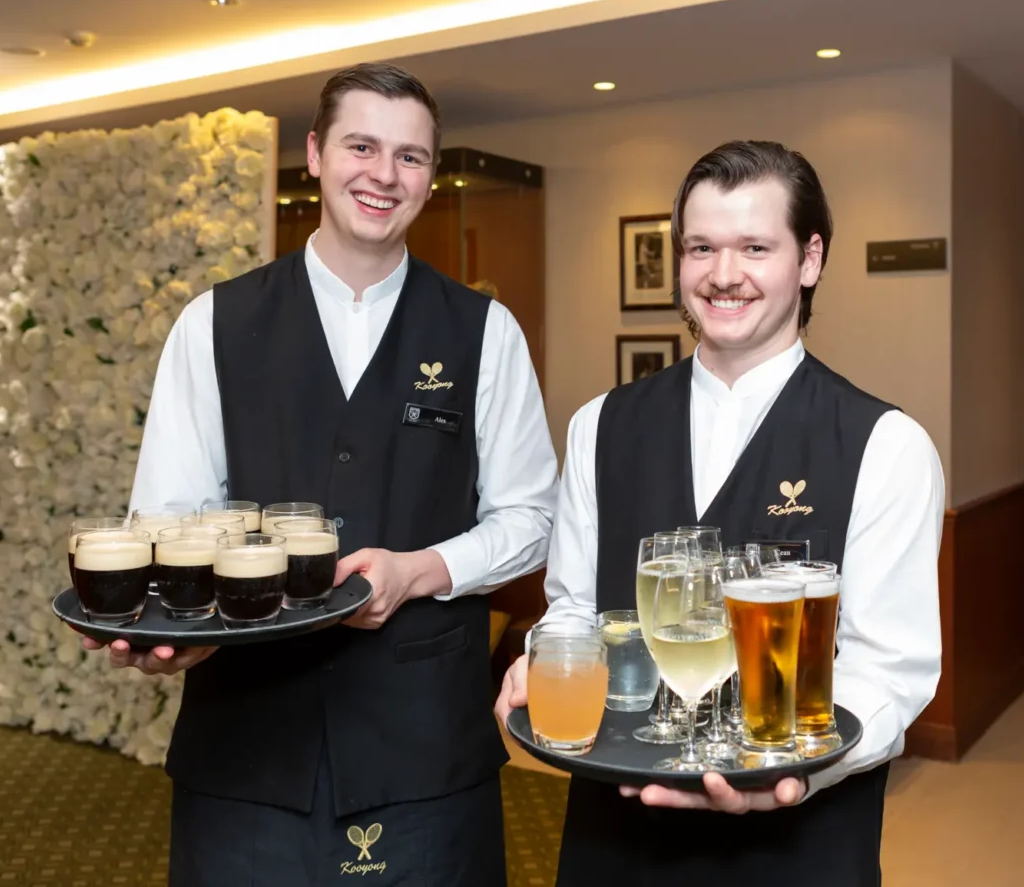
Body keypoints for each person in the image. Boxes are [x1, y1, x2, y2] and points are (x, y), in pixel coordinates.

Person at [85, 62, 558, 886]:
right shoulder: (213, 325)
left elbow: (533, 519)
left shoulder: (486, 331)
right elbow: (168, 521)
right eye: (362, 146)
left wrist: (421, 571)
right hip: (247, 752)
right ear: (314, 153)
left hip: (424, 754)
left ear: (430, 175)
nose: (384, 174)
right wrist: (175, 637)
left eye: (410, 156)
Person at [496, 140, 944, 885]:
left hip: (794, 842)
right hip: (617, 836)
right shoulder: (600, 425)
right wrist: (546, 660)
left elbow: (888, 670)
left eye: (754, 247)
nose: (723, 274)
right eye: (701, 247)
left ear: (809, 260)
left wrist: (783, 775)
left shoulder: (884, 445)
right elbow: (574, 607)